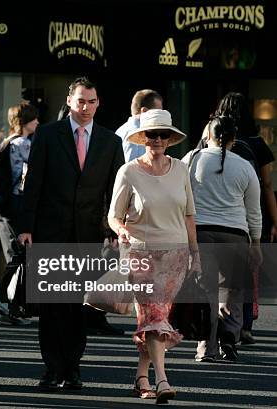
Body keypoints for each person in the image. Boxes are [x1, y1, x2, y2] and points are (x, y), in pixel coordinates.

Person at [18, 77, 124, 390]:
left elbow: (114, 193)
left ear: (98, 103)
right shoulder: (48, 134)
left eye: (91, 101)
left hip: (88, 234)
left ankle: (73, 368)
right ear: (69, 101)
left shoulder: (109, 141)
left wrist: (112, 229)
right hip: (50, 231)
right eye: (80, 101)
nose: (86, 107)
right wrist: (26, 227)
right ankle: (52, 368)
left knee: (79, 306)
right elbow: (33, 183)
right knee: (51, 306)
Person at [108, 109, 200, 404]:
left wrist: (195, 253)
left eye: (163, 134)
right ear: (143, 138)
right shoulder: (129, 171)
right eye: (152, 134)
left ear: (171, 138)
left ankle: (141, 378)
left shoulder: (181, 169)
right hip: (140, 253)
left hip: (175, 256)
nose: (157, 139)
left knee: (153, 320)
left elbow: (189, 216)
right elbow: (113, 215)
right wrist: (121, 229)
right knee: (155, 317)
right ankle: (162, 380)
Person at [182, 115, 262, 363]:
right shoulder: (246, 167)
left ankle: (206, 346)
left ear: (209, 135)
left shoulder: (192, 159)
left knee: (206, 290)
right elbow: (253, 210)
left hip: (202, 232)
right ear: (233, 139)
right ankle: (229, 339)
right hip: (235, 235)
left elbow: (181, 197)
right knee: (232, 291)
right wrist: (256, 242)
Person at [213, 92, 277, 344]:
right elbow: (268, 185)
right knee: (249, 270)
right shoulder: (257, 144)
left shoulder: (209, 139)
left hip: (217, 212)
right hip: (251, 211)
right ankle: (246, 325)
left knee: (217, 273)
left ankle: (216, 324)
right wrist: (273, 221)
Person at [0, 102, 38, 325]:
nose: (37, 123)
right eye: (33, 119)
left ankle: (8, 307)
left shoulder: (5, 143)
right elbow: (25, 180)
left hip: (4, 207)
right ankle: (5, 298)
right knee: (18, 255)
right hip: (16, 205)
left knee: (14, 253)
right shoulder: (22, 144)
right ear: (24, 121)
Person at [115, 89, 163, 162]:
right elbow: (133, 169)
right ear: (144, 111)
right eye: (158, 112)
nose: (160, 116)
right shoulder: (138, 134)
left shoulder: (121, 130)